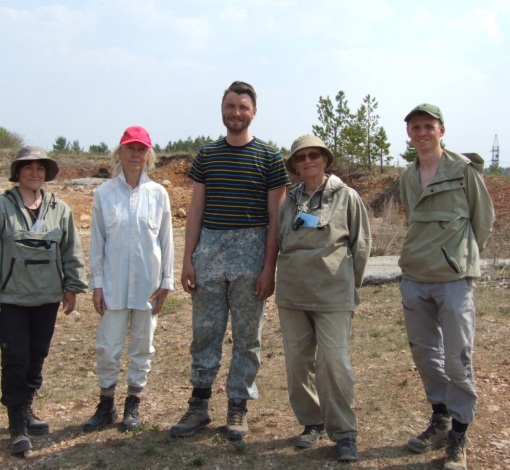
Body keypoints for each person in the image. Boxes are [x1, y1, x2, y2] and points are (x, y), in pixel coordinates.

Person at [171, 81, 290, 440]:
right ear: (222, 110)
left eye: (242, 107)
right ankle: (199, 404)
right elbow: (195, 210)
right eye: (230, 106)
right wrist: (188, 259)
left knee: (246, 336)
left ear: (254, 112)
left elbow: (275, 218)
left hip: (251, 252)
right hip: (209, 252)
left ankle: (238, 404)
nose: (235, 112)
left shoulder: (270, 158)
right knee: (204, 331)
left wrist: (269, 268)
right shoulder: (207, 156)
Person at [399, 104, 494, 470]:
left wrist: (463, 260)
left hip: (453, 280)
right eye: (415, 128)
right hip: (416, 277)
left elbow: (482, 220)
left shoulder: (464, 171)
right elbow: (414, 220)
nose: (422, 133)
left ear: (441, 130)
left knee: (458, 356)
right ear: (409, 134)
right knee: (425, 353)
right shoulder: (408, 176)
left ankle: (459, 433)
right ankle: (439, 418)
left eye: (428, 126)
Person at [276, 135, 371, 461]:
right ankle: (311, 422)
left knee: (333, 364)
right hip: (292, 295)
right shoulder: (289, 200)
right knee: (298, 366)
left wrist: (347, 284)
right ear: (295, 165)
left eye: (313, 155)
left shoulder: (347, 197)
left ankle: (344, 433)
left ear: (325, 159)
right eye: (300, 158)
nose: (307, 161)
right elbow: (280, 241)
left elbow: (360, 246)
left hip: (333, 296)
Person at [84, 126, 174, 432]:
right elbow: (97, 242)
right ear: (119, 153)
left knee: (142, 344)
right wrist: (96, 284)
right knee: (108, 346)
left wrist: (166, 282)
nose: (135, 154)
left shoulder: (158, 194)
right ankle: (105, 404)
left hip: (148, 286)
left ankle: (133, 403)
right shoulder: (104, 194)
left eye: (141, 149)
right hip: (112, 284)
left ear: (149, 155)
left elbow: (166, 240)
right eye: (130, 148)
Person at [0, 146, 88, 454]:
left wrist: (73, 287)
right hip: (10, 298)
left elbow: (71, 250)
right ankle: (17, 424)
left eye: (40, 168)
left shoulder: (59, 209)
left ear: (47, 174)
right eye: (28, 168)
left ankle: (26, 407)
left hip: (47, 297)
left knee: (37, 355)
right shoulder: (2, 206)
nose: (34, 173)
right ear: (17, 172)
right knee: (15, 358)